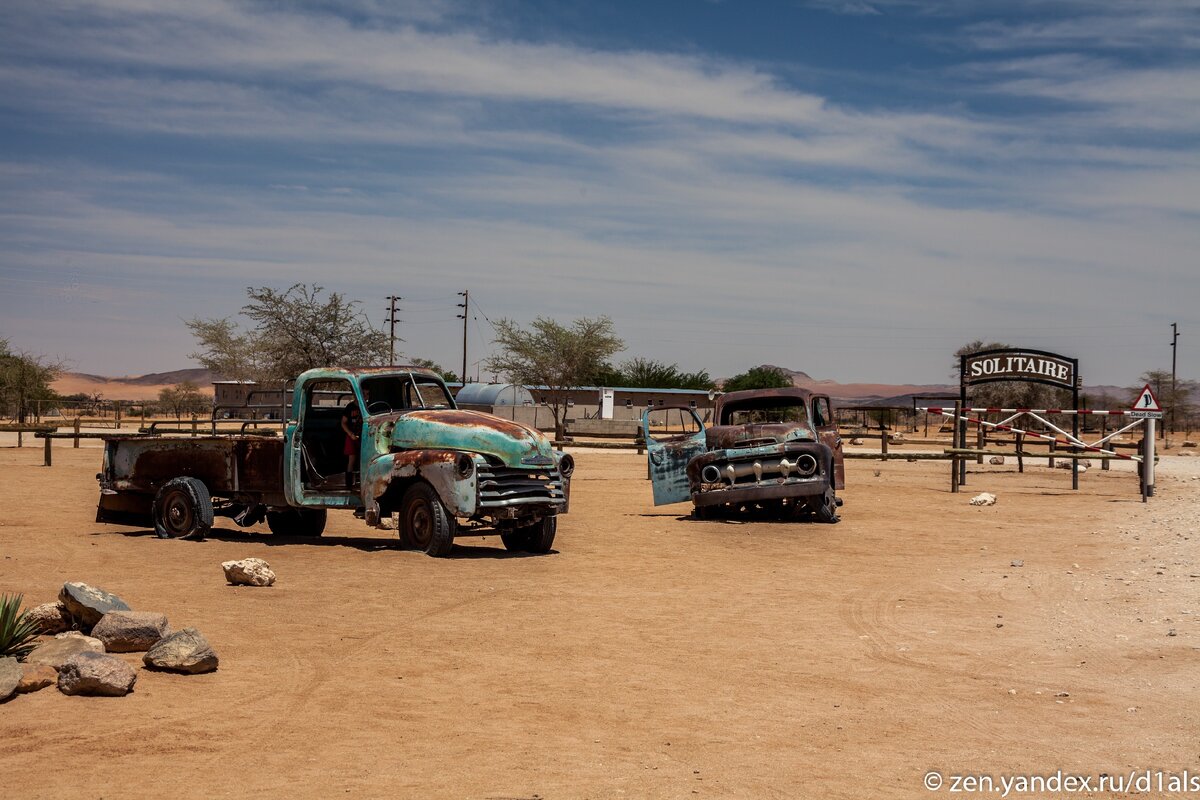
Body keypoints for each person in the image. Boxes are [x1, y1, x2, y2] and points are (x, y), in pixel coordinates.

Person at [341, 401, 362, 489]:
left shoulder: (366, 405)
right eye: (363, 394)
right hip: (352, 436)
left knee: (363, 459)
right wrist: (351, 434)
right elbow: (343, 422)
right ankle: (349, 485)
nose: (365, 397)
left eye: (367, 394)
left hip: (363, 435)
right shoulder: (350, 407)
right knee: (352, 460)